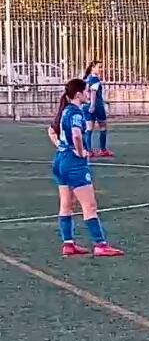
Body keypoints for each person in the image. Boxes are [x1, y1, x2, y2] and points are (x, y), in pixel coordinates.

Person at [47, 79, 124, 258]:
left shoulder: (64, 110)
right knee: (89, 205)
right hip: (74, 163)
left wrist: (60, 145)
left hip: (60, 160)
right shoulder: (76, 113)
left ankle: (68, 243)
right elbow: (76, 135)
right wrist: (81, 152)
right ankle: (100, 244)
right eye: (86, 92)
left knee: (66, 205)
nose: (89, 95)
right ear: (79, 94)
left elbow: (51, 130)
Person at [83, 60, 113, 158]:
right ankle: (103, 150)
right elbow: (93, 92)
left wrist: (89, 103)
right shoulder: (95, 79)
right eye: (99, 67)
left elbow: (86, 92)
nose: (101, 69)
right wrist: (93, 105)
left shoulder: (87, 79)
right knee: (103, 127)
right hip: (96, 106)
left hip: (86, 106)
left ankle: (88, 151)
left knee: (89, 128)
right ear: (93, 67)